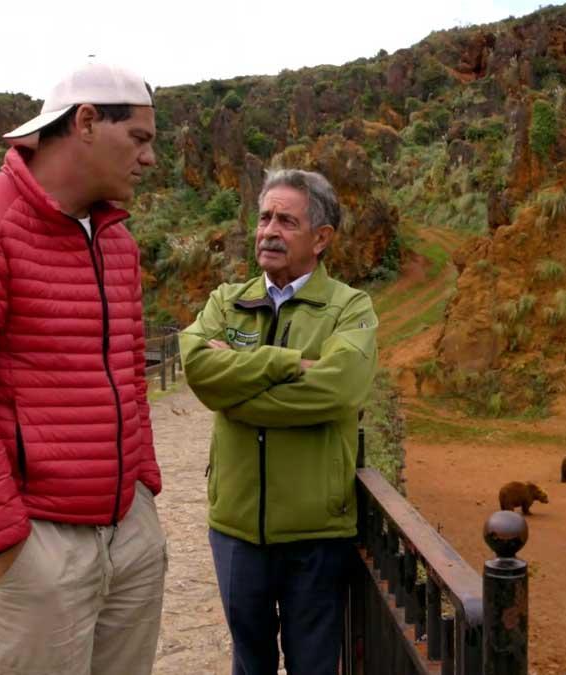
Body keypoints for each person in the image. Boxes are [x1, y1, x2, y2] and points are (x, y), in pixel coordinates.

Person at [0, 61, 166, 675]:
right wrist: (3, 540)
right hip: (35, 538)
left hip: (125, 527)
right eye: (141, 139)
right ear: (89, 122)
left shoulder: (115, 238)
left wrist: (143, 490)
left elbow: (128, 366)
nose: (149, 160)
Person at [180, 169, 379, 674]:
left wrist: (236, 394)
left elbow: (339, 388)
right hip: (236, 529)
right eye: (265, 216)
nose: (269, 229)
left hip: (315, 534)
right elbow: (200, 369)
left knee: (313, 666)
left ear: (321, 238)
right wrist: (285, 363)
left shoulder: (349, 307)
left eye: (286, 220)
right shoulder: (229, 298)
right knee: (250, 664)